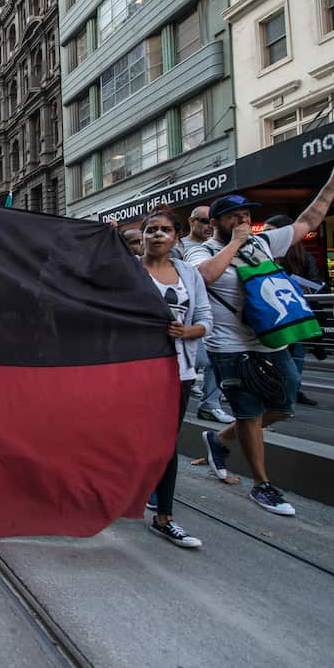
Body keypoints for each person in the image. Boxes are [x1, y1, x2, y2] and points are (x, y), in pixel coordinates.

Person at [186, 163, 334, 517]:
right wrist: (236, 244)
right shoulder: (201, 250)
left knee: (284, 404)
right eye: (234, 217)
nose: (242, 221)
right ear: (216, 222)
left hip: (270, 340)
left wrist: (333, 182)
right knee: (249, 411)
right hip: (229, 346)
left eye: (246, 215)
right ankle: (262, 484)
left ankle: (220, 439)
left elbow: (308, 223)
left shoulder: (261, 242)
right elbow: (204, 277)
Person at [140, 210, 210, 548]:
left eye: (165, 230)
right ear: (142, 237)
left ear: (177, 237)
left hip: (179, 371)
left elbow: (206, 319)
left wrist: (189, 331)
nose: (157, 235)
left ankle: (164, 517)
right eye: (151, 229)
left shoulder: (188, 274)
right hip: (136, 372)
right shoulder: (128, 273)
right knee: (134, 438)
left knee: (167, 443)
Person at [170, 205, 232, 424]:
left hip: (215, 313)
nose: (208, 225)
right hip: (189, 316)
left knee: (213, 358)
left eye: (211, 221)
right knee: (198, 360)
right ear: (192, 221)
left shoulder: (219, 247)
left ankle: (211, 403)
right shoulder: (178, 247)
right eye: (203, 221)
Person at [263, 214, 326, 407]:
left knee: (296, 355)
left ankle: (292, 389)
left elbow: (316, 283)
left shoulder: (303, 257)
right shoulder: (261, 255)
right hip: (272, 315)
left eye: (270, 232)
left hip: (295, 315)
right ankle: (279, 393)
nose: (265, 237)